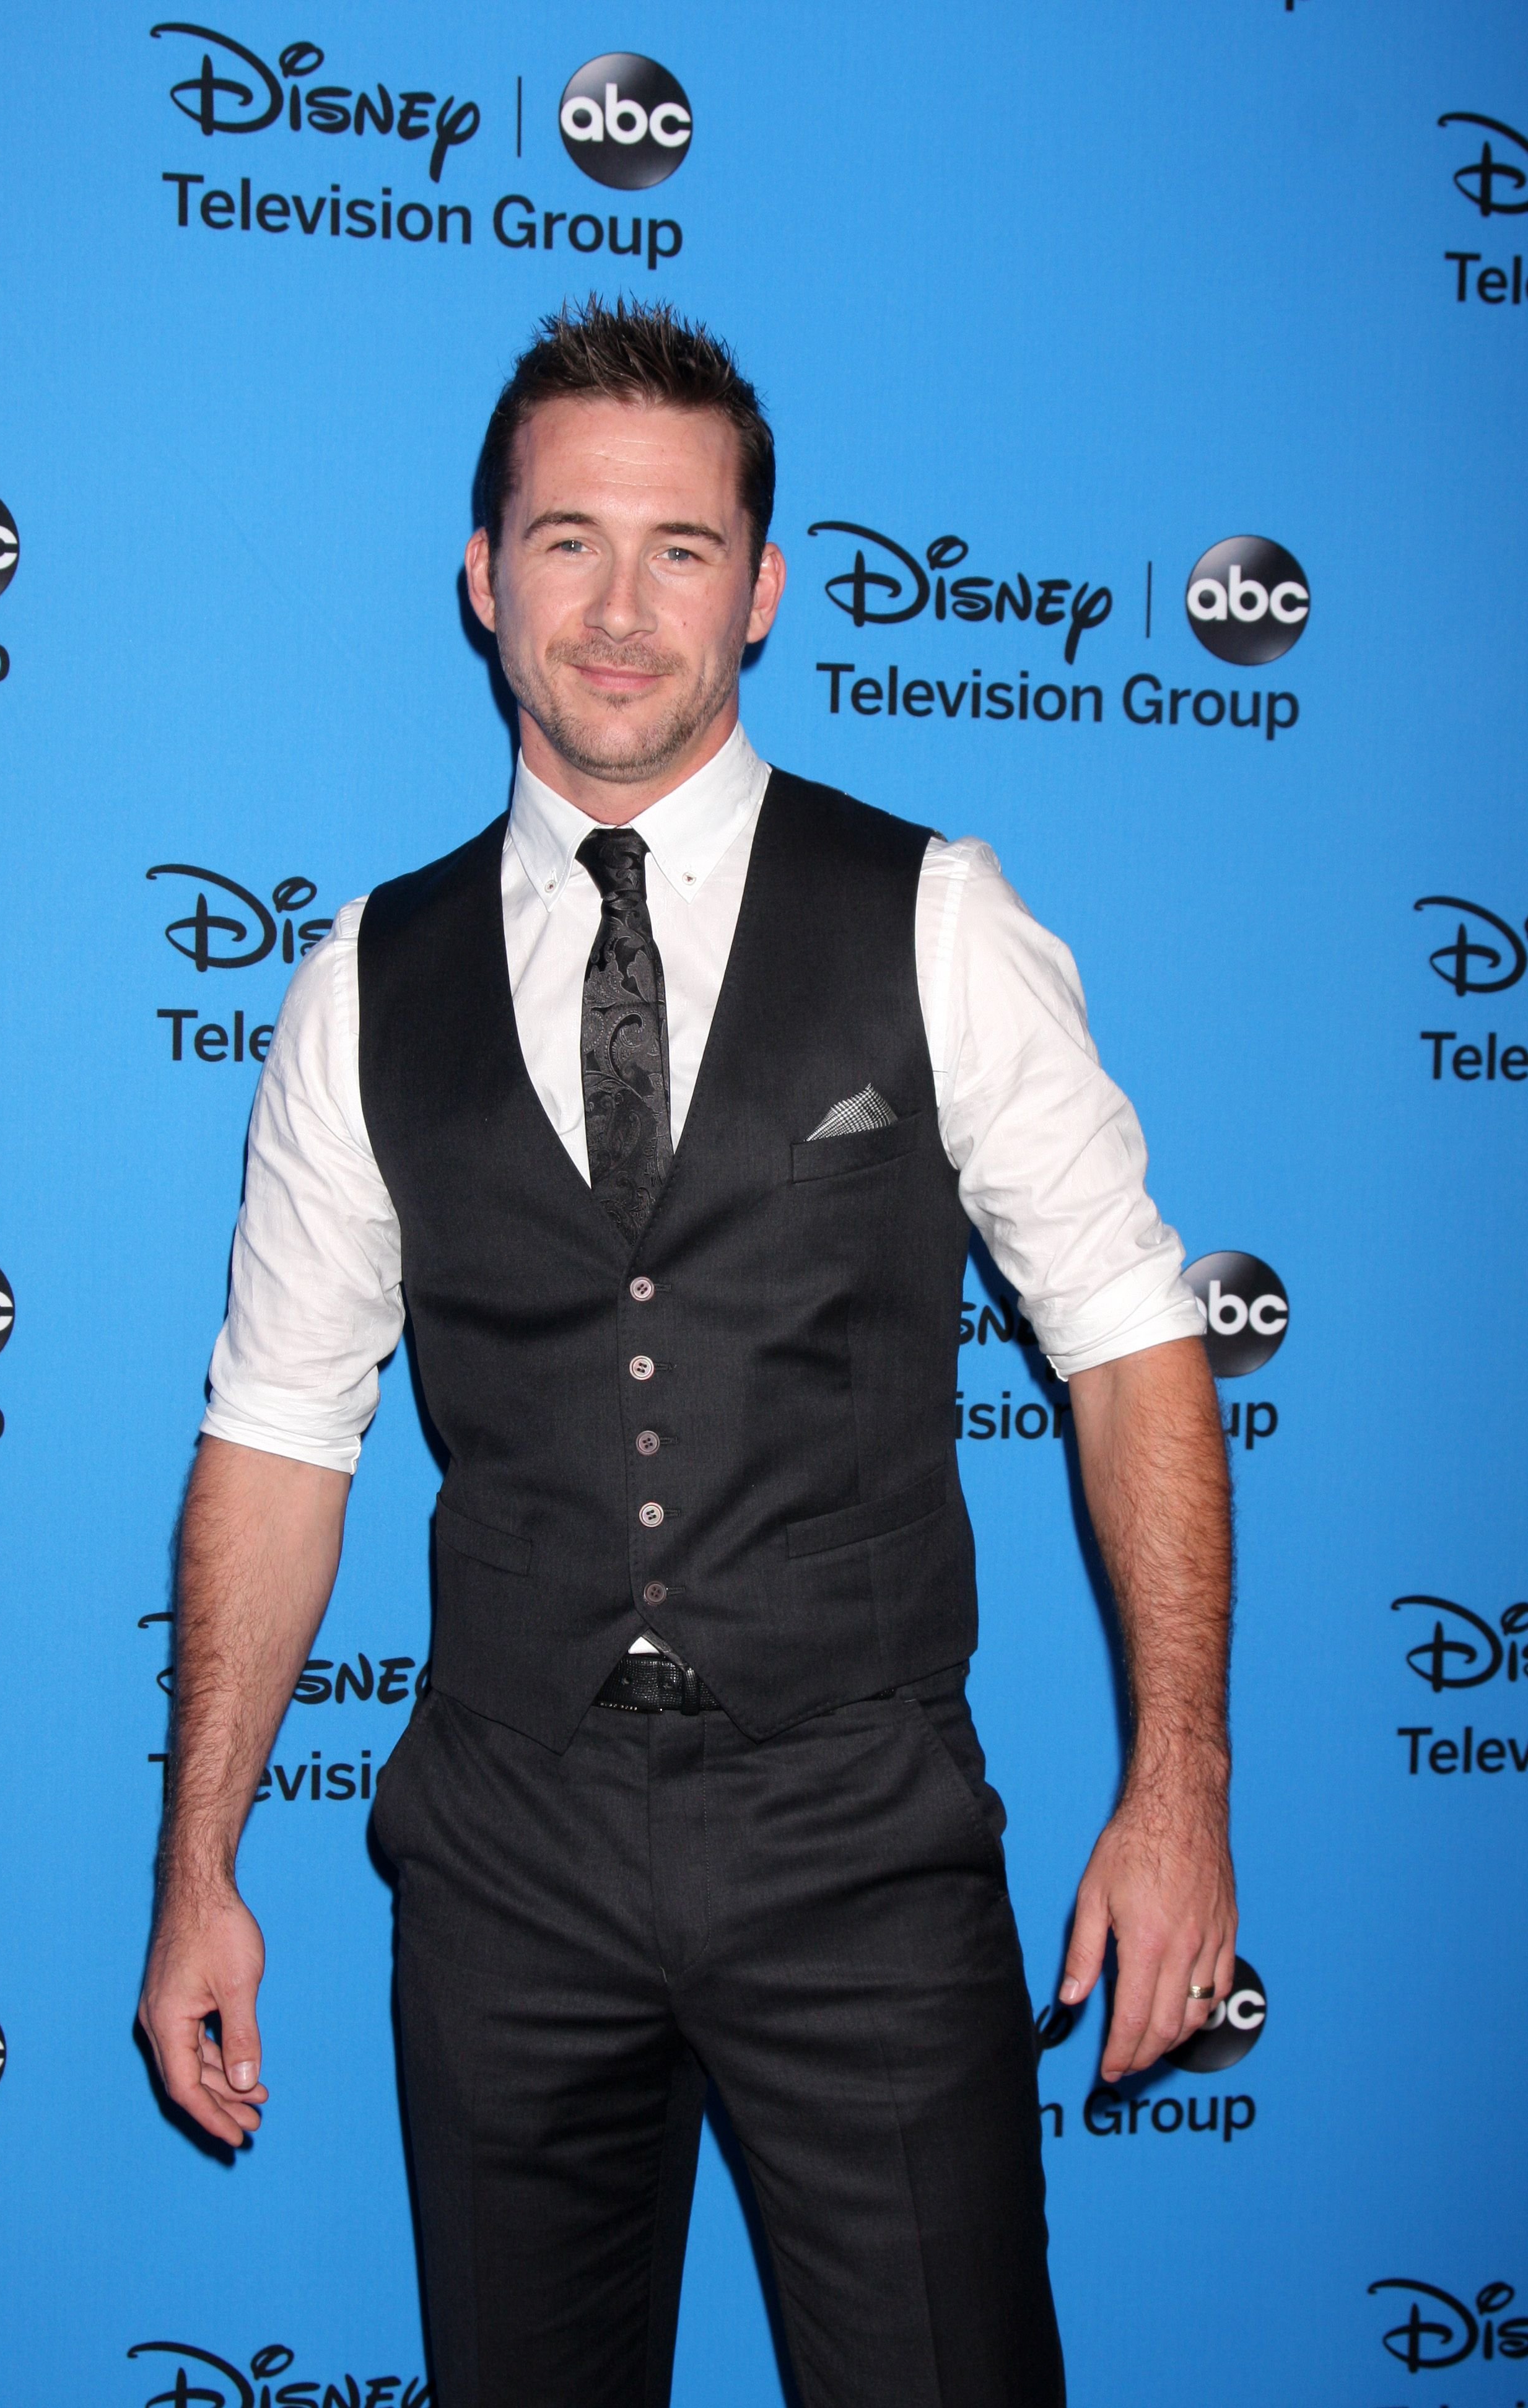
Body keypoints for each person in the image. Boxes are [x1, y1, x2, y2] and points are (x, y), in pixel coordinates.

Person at [140, 298, 1236, 2408]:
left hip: (862, 1837)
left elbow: (1129, 1344)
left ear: (768, 587)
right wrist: (199, 1869)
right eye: (565, 542)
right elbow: (279, 1436)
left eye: (679, 548)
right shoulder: (367, 979)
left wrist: (1176, 1789)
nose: (622, 610)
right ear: (482, 578)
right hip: (505, 1859)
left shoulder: (934, 918)